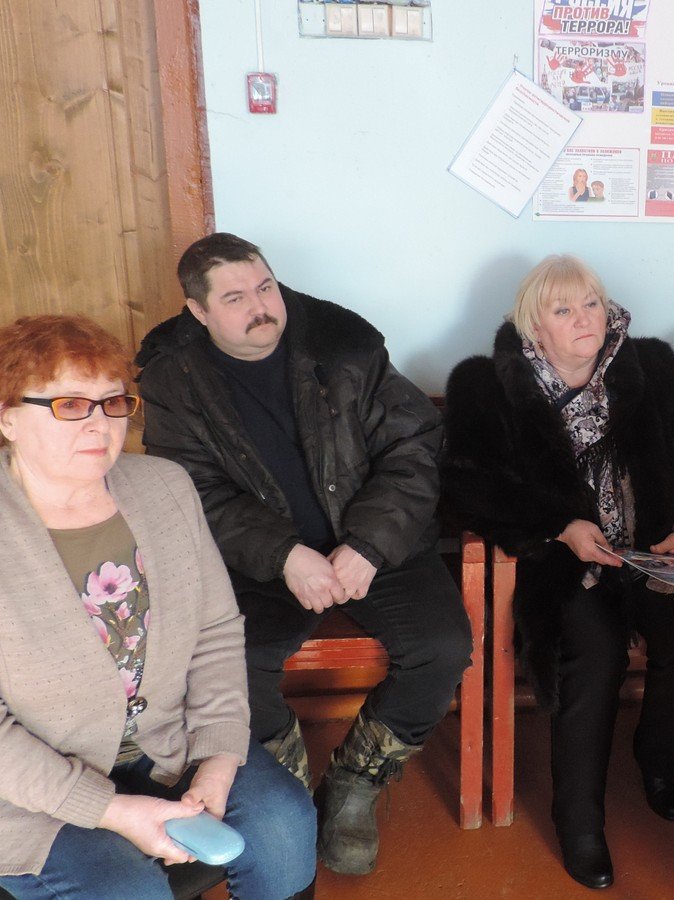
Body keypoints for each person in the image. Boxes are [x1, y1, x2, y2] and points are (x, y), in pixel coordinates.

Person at [0, 315, 317, 899]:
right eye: (69, 404)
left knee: (286, 825)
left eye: (113, 402)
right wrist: (114, 811)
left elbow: (215, 631)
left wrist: (219, 756)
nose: (99, 423)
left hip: (169, 743)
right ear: (5, 415)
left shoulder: (166, 487)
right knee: (127, 889)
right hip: (20, 789)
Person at [135, 233, 472, 876]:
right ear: (198, 312)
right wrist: (286, 554)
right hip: (260, 560)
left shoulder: (343, 346)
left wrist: (367, 545)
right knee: (232, 663)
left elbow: (414, 450)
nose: (261, 307)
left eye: (265, 287)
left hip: (378, 545)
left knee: (442, 646)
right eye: (235, 298)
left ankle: (355, 783)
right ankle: (286, 796)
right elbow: (193, 491)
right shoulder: (173, 378)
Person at [440, 254, 674, 891]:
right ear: (535, 326)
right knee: (595, 651)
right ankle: (579, 821)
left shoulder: (651, 368)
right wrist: (561, 527)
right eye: (563, 310)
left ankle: (658, 760)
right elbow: (466, 491)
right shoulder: (487, 386)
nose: (585, 319)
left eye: (591, 304)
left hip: (649, 552)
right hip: (562, 563)